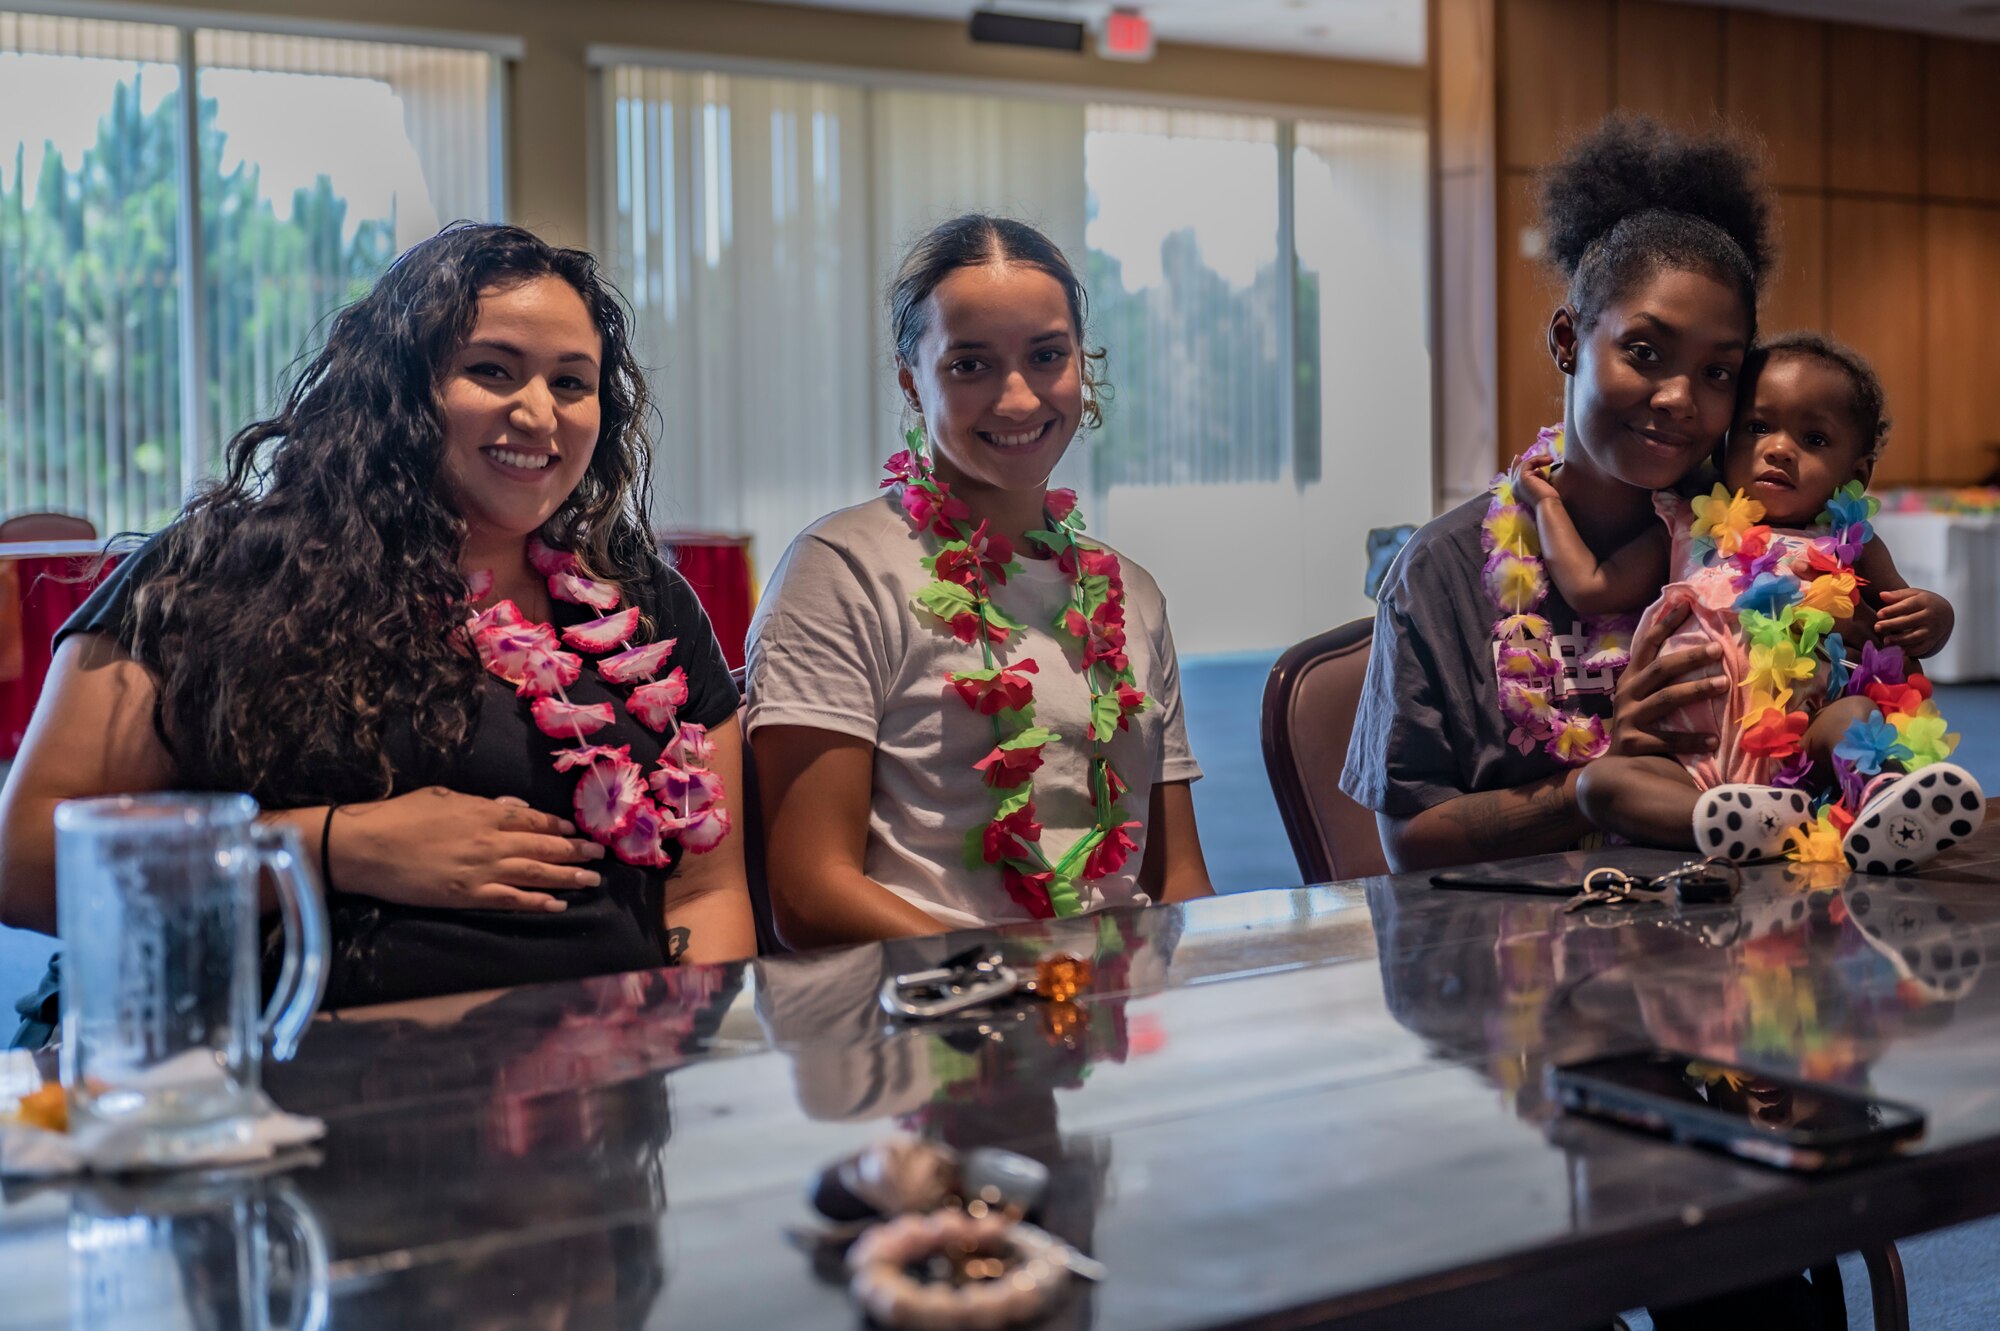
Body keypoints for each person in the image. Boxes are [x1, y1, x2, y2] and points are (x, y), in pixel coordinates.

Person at [0, 222, 753, 1021]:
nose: (537, 413)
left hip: (607, 1089)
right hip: (307, 1085)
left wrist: (688, 1064)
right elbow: (28, 864)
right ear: (399, 385)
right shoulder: (215, 576)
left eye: (571, 383)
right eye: (491, 370)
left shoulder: (648, 604)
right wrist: (337, 846)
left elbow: (708, 891)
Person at [746, 213, 1212, 947]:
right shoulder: (842, 571)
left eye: (1047, 356)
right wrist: (1021, 983)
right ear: (911, 381)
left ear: (1081, 367)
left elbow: (1179, 883)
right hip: (930, 1025)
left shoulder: (1131, 592)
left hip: (1111, 1024)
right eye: (970, 365)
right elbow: (808, 894)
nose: (1019, 398)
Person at [1341, 114, 1774, 874]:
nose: (1679, 397)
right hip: (1513, 961)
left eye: (1717, 373)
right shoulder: (1439, 573)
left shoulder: (1757, 556)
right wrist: (1590, 784)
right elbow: (1411, 842)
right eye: (1645, 352)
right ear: (1568, 339)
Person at [1520, 332, 1983, 865]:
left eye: (1814, 439)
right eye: (1758, 427)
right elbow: (1592, 586)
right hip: (1688, 760)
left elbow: (1899, 628)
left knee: (1855, 717)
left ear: (1855, 475)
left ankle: (1882, 802)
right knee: (1600, 786)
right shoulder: (1688, 523)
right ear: (1724, 447)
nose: (1780, 448)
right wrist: (1546, 504)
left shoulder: (1853, 545)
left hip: (1803, 748)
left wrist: (1937, 616)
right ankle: (1743, 824)